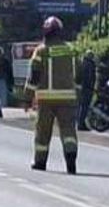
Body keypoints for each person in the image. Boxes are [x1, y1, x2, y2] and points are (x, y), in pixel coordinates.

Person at [25, 16, 79, 174]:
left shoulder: (41, 51)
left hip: (46, 99)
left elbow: (34, 77)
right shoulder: (71, 50)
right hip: (68, 99)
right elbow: (79, 74)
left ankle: (40, 162)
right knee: (69, 132)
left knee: (43, 132)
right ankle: (71, 164)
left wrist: (27, 98)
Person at [77, 49, 97, 131]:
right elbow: (89, 77)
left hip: (82, 88)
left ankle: (81, 123)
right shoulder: (89, 64)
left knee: (82, 106)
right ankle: (81, 124)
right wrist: (91, 86)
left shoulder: (83, 63)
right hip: (87, 88)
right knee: (85, 106)